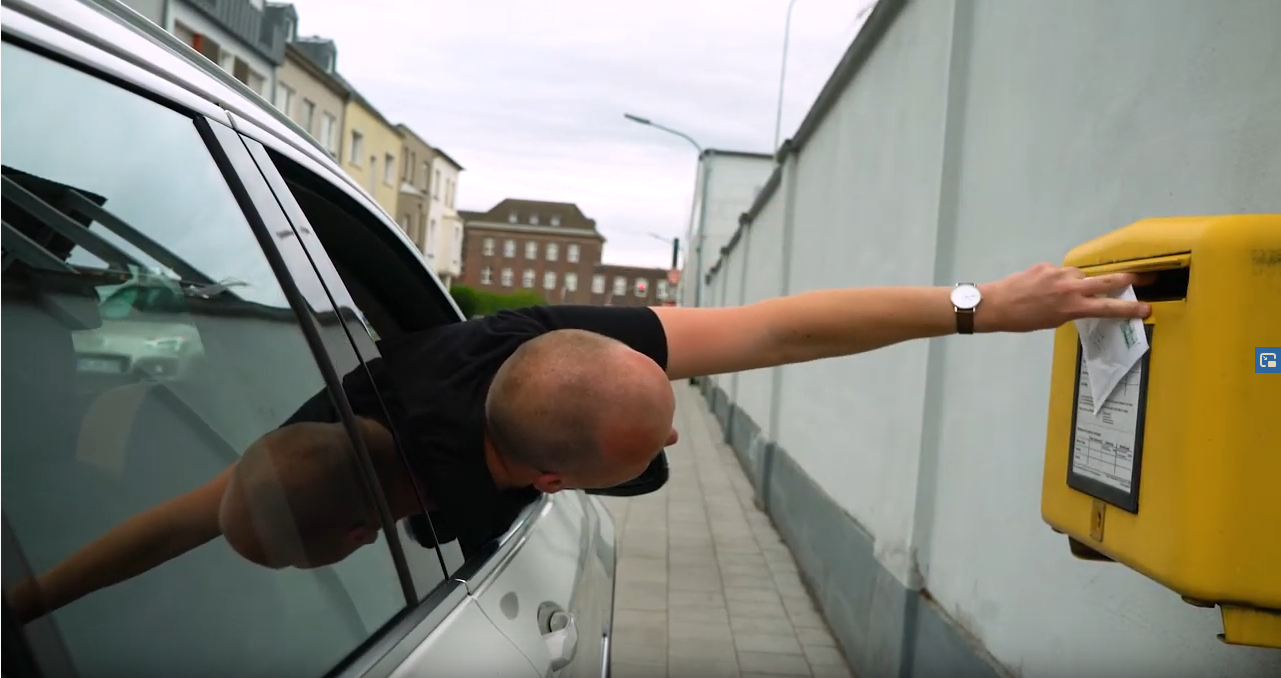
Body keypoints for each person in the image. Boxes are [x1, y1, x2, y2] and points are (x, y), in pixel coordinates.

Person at [7, 263, 1152, 620]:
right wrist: (26, 603)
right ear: (549, 481)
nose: (681, 423)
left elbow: (779, 328)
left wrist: (980, 306)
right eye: (651, 447)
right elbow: (181, 527)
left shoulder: (541, 342)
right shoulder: (305, 460)